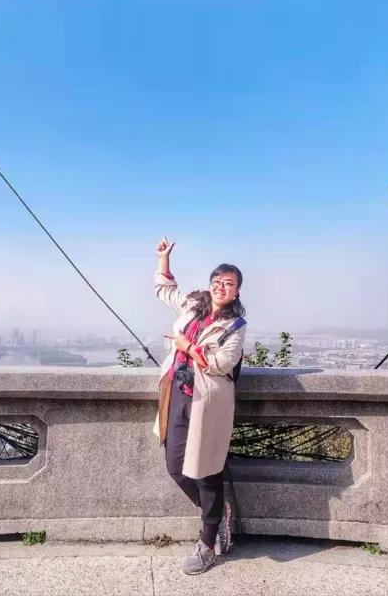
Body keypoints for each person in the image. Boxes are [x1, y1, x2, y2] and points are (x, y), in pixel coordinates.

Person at [152, 235, 246, 575]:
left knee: (207, 469)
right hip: (178, 392)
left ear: (236, 291)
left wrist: (187, 346)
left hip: (209, 401)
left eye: (229, 283)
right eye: (217, 281)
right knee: (175, 467)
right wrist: (163, 259)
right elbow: (166, 290)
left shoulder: (235, 325)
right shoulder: (194, 305)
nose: (221, 287)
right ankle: (218, 512)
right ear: (210, 284)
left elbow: (221, 363)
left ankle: (208, 542)